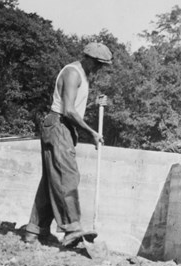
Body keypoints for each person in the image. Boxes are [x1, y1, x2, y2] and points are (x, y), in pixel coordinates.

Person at [23, 42, 112, 247]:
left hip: (63, 128)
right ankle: (72, 227)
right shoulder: (73, 73)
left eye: (102, 65)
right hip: (58, 125)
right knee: (67, 176)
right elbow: (69, 110)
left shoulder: (83, 75)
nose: (99, 69)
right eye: (97, 64)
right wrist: (91, 132)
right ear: (87, 58)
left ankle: (34, 230)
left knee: (50, 182)